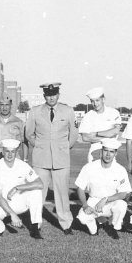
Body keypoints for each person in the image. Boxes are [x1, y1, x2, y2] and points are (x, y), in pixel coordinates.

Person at [24, 82, 78, 235]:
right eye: (48, 95)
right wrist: (40, 146)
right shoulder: (35, 112)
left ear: (58, 95)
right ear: (44, 96)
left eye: (54, 94)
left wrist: (65, 147)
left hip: (61, 159)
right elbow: (29, 134)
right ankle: (35, 223)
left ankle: (66, 224)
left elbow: (73, 133)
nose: (51, 97)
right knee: (38, 192)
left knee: (61, 193)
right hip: (41, 159)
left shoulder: (67, 111)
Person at [75, 138, 131, 239]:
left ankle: (113, 226)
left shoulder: (120, 169)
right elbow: (80, 188)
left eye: (111, 152)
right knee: (83, 217)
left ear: (115, 154)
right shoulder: (89, 167)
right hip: (94, 201)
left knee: (121, 205)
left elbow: (123, 193)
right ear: (101, 151)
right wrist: (85, 205)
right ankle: (94, 230)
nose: (108, 154)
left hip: (111, 201)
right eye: (106, 151)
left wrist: (105, 199)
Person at [0, 139, 44, 239]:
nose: (10, 155)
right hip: (4, 203)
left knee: (36, 191)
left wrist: (17, 188)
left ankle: (35, 227)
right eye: (7, 151)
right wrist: (12, 214)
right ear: (2, 151)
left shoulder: (23, 165)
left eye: (13, 152)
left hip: (20, 201)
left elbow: (40, 183)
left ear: (16, 152)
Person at [0, 93, 27, 170]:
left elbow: (25, 142)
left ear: (11, 105)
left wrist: (25, 160)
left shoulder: (19, 122)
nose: (4, 107)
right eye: (2, 105)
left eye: (7, 105)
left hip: (14, 156)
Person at [78, 87, 122, 162]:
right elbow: (85, 137)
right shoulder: (88, 116)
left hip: (110, 150)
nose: (95, 104)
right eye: (92, 101)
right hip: (94, 150)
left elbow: (115, 131)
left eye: (97, 100)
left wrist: (96, 133)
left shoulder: (113, 113)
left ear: (103, 99)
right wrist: (107, 138)